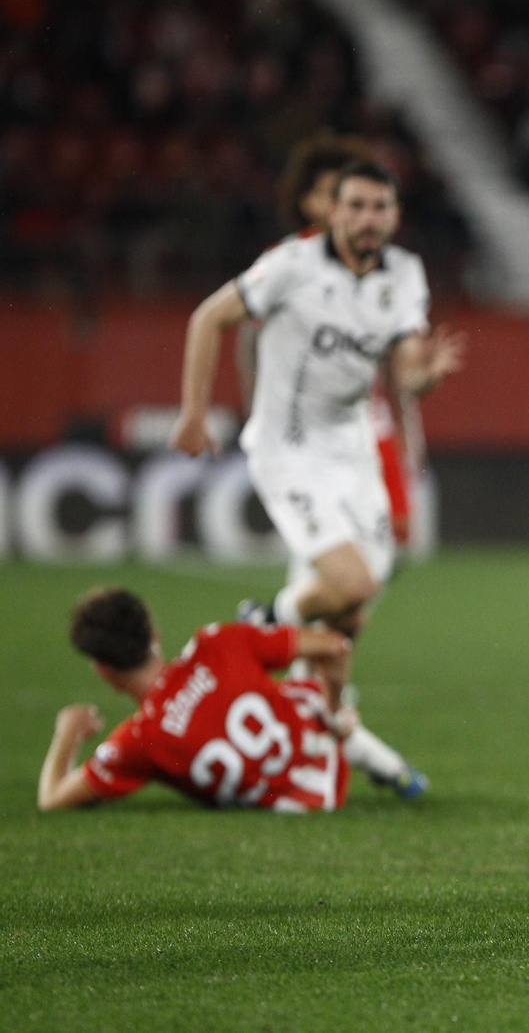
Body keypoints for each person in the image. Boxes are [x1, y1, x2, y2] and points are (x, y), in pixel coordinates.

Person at [168, 160, 463, 642]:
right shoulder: (293, 264)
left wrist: (426, 377)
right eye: (357, 206)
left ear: (395, 215)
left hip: (355, 450)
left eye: (380, 207)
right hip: (289, 450)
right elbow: (209, 318)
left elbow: (406, 373)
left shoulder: (405, 275)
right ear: (334, 212)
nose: (369, 218)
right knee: (354, 583)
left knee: (353, 607)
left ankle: (328, 712)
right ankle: (269, 620)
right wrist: (193, 414)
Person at [37, 587, 422, 812]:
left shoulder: (139, 742)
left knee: (269, 667)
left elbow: (52, 798)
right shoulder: (217, 642)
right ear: (154, 632)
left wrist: (67, 733)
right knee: (310, 649)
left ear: (102, 670)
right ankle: (369, 750)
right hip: (318, 749)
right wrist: (335, 711)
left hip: (302, 801)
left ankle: (364, 747)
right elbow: (336, 649)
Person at [237, 132, 428, 551]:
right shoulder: (287, 263)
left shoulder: (383, 270)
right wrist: (259, 416)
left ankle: (290, 612)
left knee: (389, 540)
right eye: (332, 195)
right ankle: (286, 612)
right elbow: (246, 340)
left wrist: (410, 431)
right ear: (308, 202)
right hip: (302, 434)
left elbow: (396, 361)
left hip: (364, 422)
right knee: (338, 556)